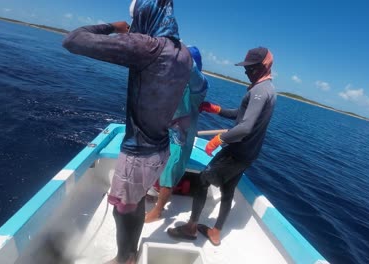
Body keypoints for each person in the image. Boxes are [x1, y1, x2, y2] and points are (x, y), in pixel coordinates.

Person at [62, 0, 192, 263]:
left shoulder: (149, 48)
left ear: (145, 15)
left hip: (138, 153)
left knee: (122, 210)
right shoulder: (185, 54)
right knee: (136, 200)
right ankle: (129, 254)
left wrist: (114, 27)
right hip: (161, 148)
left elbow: (73, 39)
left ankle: (125, 258)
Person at [167, 47, 276, 246]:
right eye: (246, 68)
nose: (247, 72)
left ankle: (191, 228)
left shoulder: (260, 91)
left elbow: (244, 127)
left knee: (201, 180)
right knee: (228, 189)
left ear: (265, 66)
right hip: (249, 154)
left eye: (252, 68)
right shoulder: (267, 89)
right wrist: (217, 110)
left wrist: (219, 139)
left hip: (236, 152)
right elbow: (241, 115)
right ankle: (215, 231)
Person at [145, 46, 208, 223]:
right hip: (165, 131)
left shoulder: (199, 84)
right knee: (154, 163)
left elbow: (193, 71)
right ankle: (154, 195)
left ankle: (158, 210)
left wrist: (178, 50)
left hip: (181, 138)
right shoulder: (175, 80)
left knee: (170, 171)